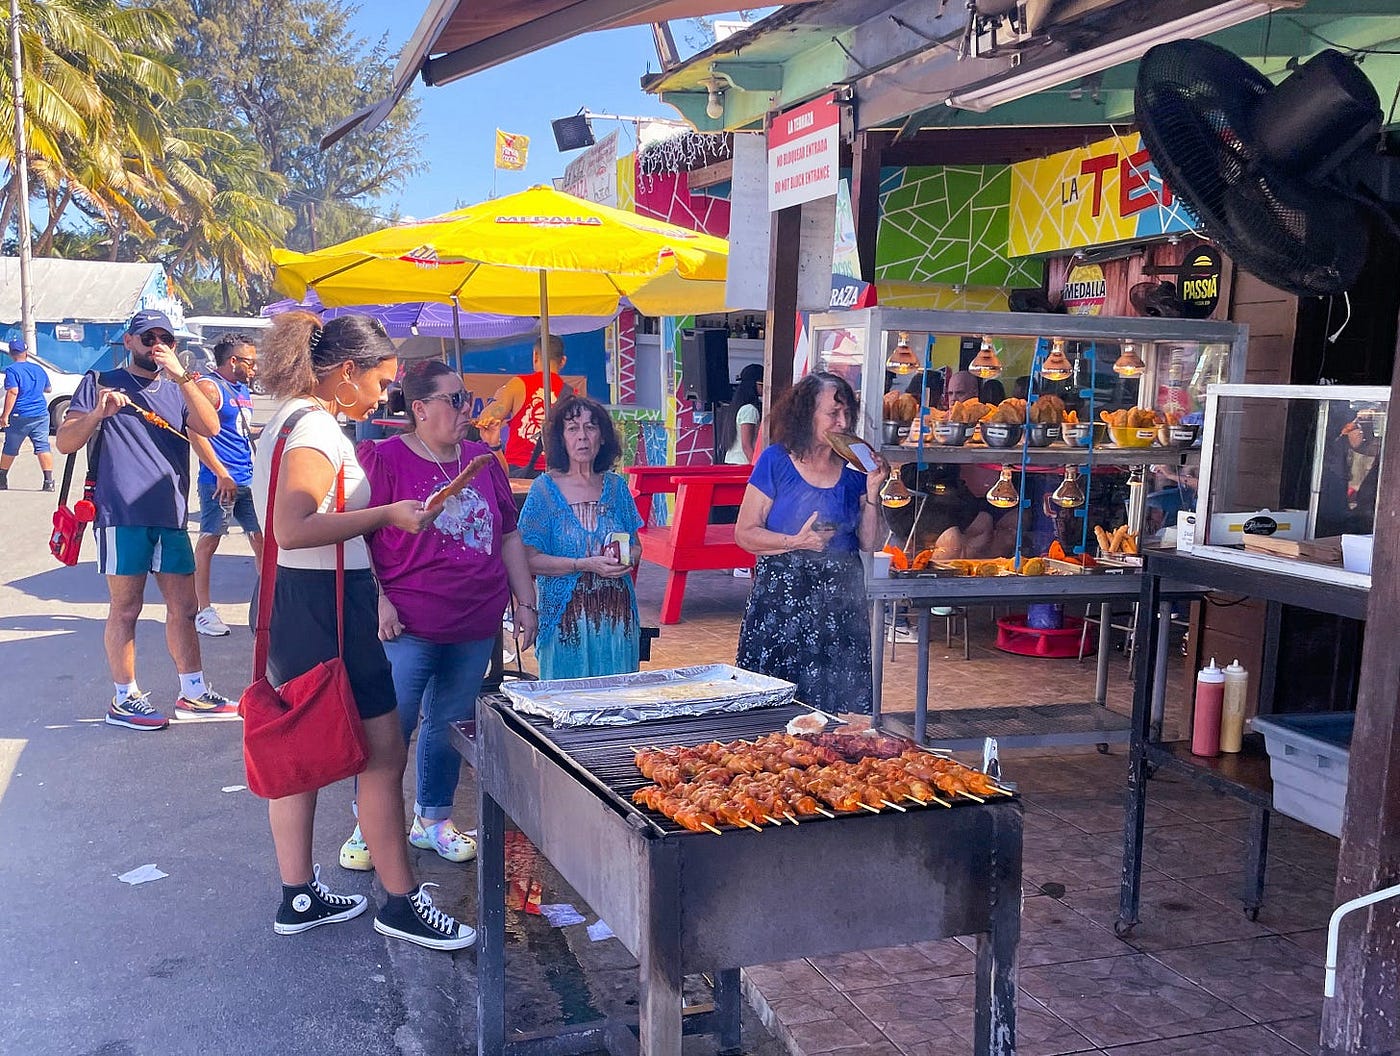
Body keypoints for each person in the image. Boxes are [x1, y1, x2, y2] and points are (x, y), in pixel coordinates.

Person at [250, 310, 474, 950]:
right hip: (327, 605)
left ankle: (299, 894)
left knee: (299, 749)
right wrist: (386, 515)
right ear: (346, 372)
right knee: (383, 754)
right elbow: (293, 526)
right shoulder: (316, 429)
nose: (383, 397)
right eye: (379, 382)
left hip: (298, 601)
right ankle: (401, 902)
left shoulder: (289, 418)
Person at [337, 360, 538, 873]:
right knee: (391, 726)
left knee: (449, 724)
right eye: (454, 400)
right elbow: (356, 534)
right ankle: (369, 824)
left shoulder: (483, 461)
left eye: (468, 398)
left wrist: (525, 599)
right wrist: (378, 598)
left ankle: (433, 817)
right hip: (407, 621)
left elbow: (508, 534)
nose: (466, 409)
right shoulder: (382, 458)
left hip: (475, 620)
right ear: (420, 408)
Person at [55, 309, 235, 730]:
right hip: (122, 513)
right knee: (126, 608)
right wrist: (97, 415)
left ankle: (193, 692)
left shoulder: (178, 388)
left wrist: (182, 376)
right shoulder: (100, 382)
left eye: (165, 338)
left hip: (170, 513)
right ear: (129, 342)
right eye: (148, 337)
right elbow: (64, 442)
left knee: (185, 607)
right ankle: (124, 698)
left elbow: (210, 427)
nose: (157, 345)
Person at [734, 371, 885, 714]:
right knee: (773, 706)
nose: (843, 422)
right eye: (833, 413)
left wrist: (873, 493)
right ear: (807, 415)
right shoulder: (776, 461)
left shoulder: (855, 470)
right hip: (781, 600)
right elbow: (744, 533)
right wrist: (795, 541)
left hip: (839, 602)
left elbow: (869, 542)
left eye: (847, 413)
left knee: (835, 710)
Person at [518, 395, 642, 679]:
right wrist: (583, 565)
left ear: (602, 437)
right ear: (561, 439)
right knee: (565, 697)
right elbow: (528, 559)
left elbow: (635, 545)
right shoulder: (544, 490)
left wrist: (625, 560)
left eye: (591, 427)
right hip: (565, 619)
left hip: (616, 617)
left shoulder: (616, 487)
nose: (583, 436)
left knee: (617, 697)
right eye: (573, 428)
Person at [189, 334, 263, 637]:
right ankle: (203, 610)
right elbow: (195, 432)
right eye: (251, 362)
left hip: (246, 477)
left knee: (261, 538)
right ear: (233, 361)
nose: (255, 368)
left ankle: (269, 602)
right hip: (219, 482)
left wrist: (266, 431)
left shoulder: (241, 389)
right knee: (210, 540)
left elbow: (237, 429)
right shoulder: (210, 387)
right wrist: (220, 473)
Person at [477, 334, 568, 477]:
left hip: (518, 471)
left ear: (535, 356)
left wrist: (498, 396)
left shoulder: (518, 385)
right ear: (563, 361)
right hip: (557, 474)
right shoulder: (572, 394)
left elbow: (485, 421)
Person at [0, 336, 55, 491]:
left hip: (20, 415)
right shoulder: (38, 369)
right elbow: (48, 389)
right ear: (26, 352)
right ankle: (49, 482)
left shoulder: (12, 370)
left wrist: (4, 415)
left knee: (10, 447)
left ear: (11, 353)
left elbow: (13, 391)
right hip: (41, 414)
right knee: (42, 445)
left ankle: (2, 479)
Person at [717, 364, 764, 465]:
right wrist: (757, 468)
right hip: (743, 463)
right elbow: (747, 446)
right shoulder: (750, 410)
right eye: (762, 385)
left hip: (732, 461)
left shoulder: (736, 407)